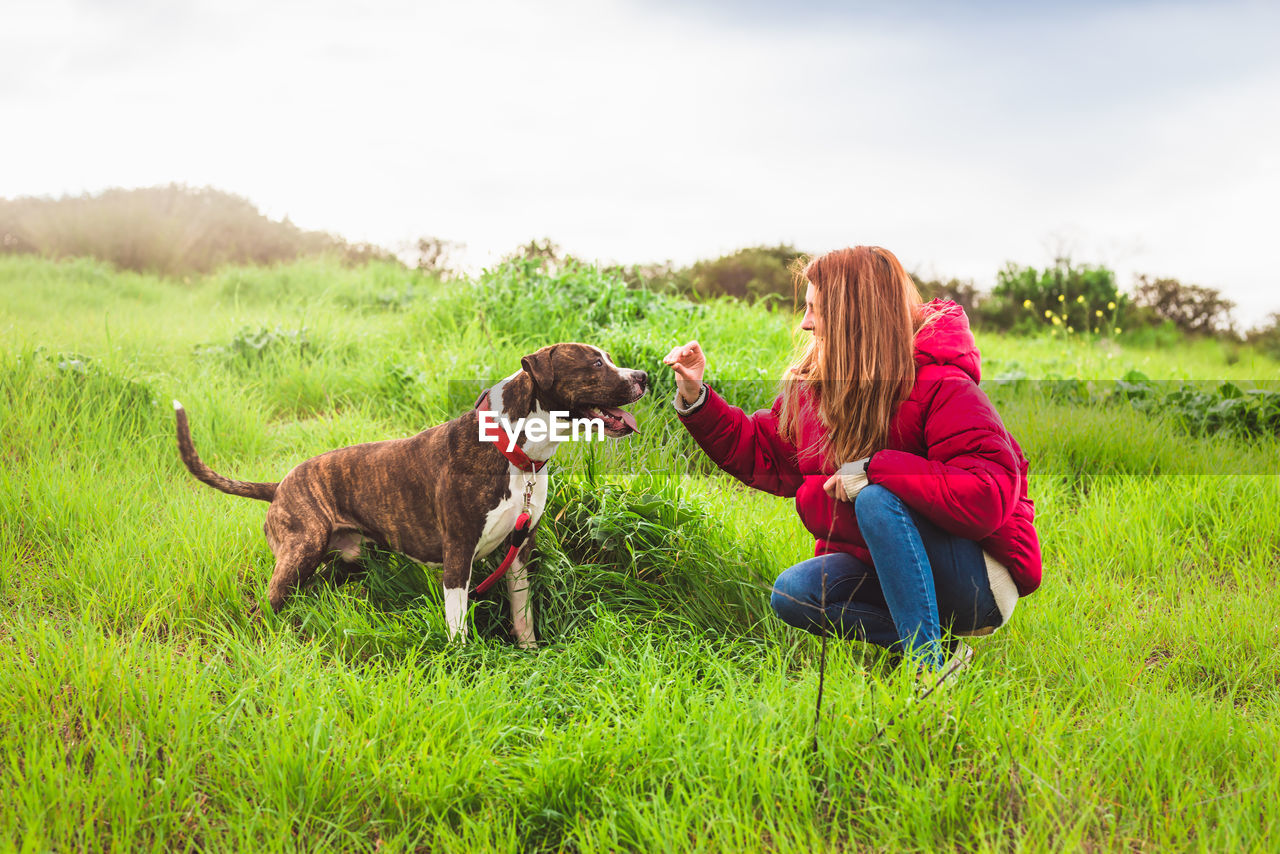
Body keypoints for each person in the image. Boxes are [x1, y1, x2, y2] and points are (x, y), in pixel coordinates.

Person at [663, 246, 1041, 674]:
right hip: (881, 565)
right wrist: (696, 397)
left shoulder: (942, 383)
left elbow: (987, 493)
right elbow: (764, 451)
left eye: (814, 309)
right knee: (794, 593)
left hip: (976, 582)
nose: (805, 322)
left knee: (877, 499)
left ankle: (927, 669)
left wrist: (874, 469)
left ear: (853, 315)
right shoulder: (818, 388)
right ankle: (941, 651)